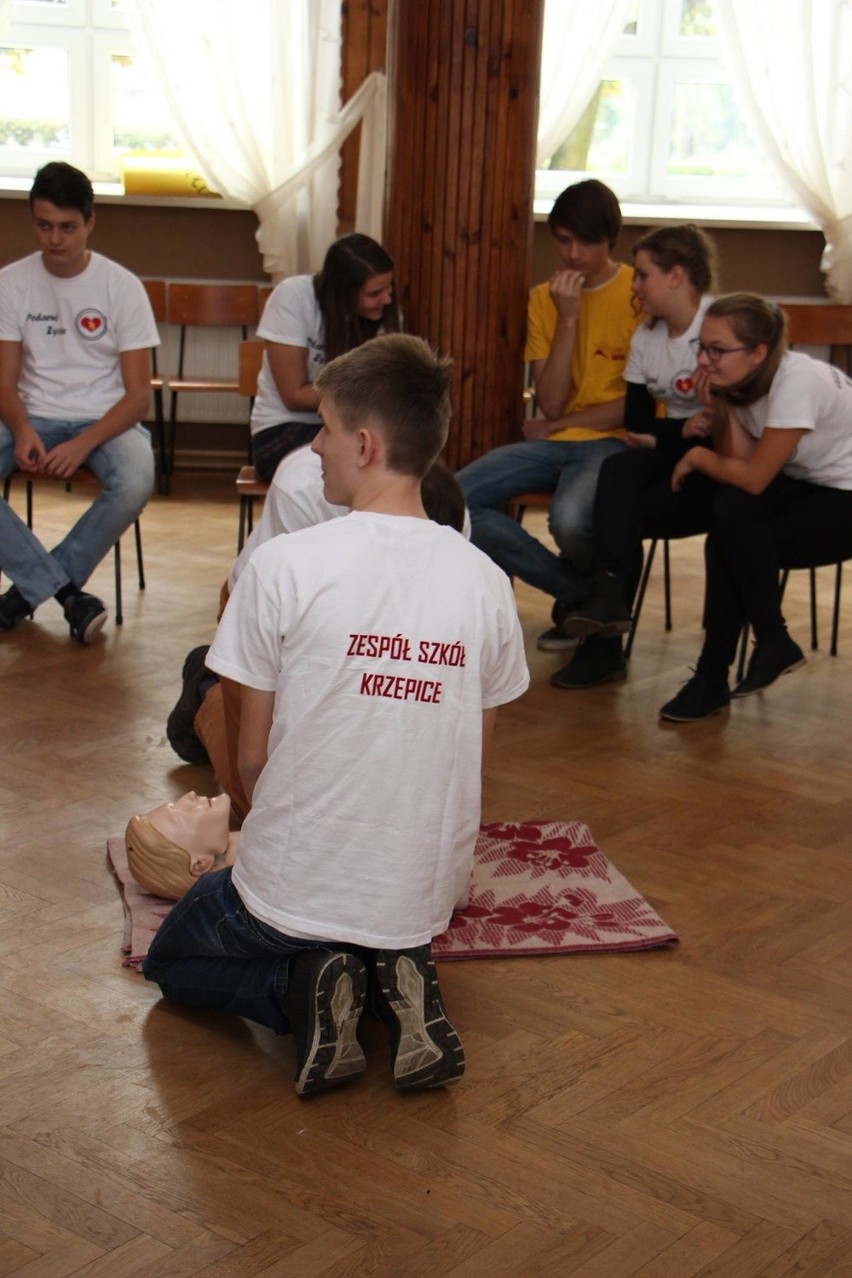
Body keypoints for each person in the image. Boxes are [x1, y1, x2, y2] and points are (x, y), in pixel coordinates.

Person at [144, 334, 530, 1098]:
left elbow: (250, 764)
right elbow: (470, 762)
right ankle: (394, 969)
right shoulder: (488, 582)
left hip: (295, 892)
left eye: (322, 427)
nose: (313, 445)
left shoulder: (284, 567)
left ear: (364, 442)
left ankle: (310, 983)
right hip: (426, 891)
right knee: (372, 912)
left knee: (174, 960)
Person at [165, 450, 469, 823]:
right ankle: (207, 686)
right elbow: (255, 764)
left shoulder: (449, 520)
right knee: (257, 808)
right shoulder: (302, 490)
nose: (316, 443)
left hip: (374, 635)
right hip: (279, 624)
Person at [456, 179, 640, 649]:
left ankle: (592, 603)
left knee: (570, 520)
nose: (573, 253)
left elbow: (636, 407)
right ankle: (585, 595)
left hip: (614, 441)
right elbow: (554, 401)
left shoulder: (638, 295)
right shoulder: (545, 299)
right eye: (562, 240)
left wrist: (555, 425)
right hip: (556, 441)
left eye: (587, 242)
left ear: (609, 240)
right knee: (452, 499)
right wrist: (570, 316)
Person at [655, 293, 852, 722]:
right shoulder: (741, 379)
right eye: (701, 347)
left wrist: (694, 457)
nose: (703, 360)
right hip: (812, 481)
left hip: (846, 494)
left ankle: (722, 672)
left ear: (759, 352)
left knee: (735, 538)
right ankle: (765, 646)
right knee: (731, 516)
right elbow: (742, 467)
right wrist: (720, 404)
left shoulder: (797, 383)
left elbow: (752, 477)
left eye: (717, 350)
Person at [552, 223, 720, 688]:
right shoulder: (648, 338)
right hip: (677, 448)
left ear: (676, 276)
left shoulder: (719, 324)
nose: (635, 285)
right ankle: (607, 615)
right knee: (619, 469)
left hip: (723, 458)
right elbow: (638, 425)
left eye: (643, 274)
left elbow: (726, 424)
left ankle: (605, 631)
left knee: (620, 511)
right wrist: (679, 431)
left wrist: (671, 436)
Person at [0, 162, 158, 643]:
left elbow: (137, 398)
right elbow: (4, 385)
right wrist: (24, 429)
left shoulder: (121, 286)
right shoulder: (10, 282)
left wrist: (84, 442)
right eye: (44, 225)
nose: (54, 239)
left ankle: (28, 593)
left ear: (90, 222)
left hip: (106, 420)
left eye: (67, 227)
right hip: (30, 414)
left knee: (135, 481)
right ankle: (68, 594)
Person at [250, 232, 399, 482]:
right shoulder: (293, 297)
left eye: (388, 288)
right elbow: (294, 395)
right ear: (342, 293)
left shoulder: (382, 313)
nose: (387, 299)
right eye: (374, 293)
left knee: (403, 462)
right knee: (361, 467)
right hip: (283, 429)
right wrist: (368, 392)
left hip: (351, 428)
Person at [126, 792, 238, 900]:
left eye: (174, 804)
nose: (190, 794)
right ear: (199, 864)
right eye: (178, 818)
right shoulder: (241, 865)